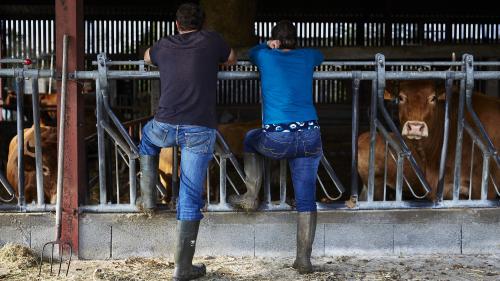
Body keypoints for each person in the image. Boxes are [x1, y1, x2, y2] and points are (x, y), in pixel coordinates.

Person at [140, 3, 236, 280]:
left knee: (146, 141)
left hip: (164, 125)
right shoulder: (212, 40)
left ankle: (148, 197)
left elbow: (147, 57)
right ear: (202, 23)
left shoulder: (164, 43)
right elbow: (231, 58)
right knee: (190, 195)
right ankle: (182, 268)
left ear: (176, 24)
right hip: (199, 129)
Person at [228, 20, 324, 274]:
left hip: (277, 139)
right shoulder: (307, 56)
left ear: (275, 40)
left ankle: (250, 196)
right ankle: (303, 259)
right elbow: (321, 55)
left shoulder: (264, 56)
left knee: (250, 137)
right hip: (310, 134)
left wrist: (266, 45)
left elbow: (250, 52)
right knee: (306, 199)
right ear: (296, 40)